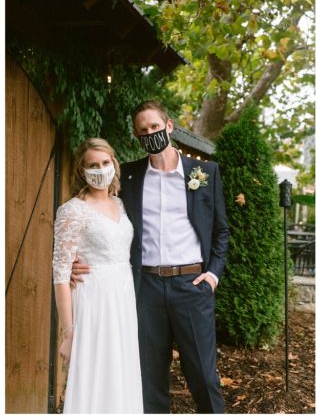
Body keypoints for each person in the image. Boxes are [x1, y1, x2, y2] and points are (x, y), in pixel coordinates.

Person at [72, 101, 229, 413]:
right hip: (145, 290)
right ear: (136, 135)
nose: (150, 134)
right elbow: (98, 213)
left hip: (191, 285)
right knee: (148, 380)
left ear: (169, 126)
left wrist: (212, 275)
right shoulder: (129, 176)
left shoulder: (204, 172)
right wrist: (76, 258)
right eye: (143, 130)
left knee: (204, 377)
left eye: (155, 127)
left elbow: (221, 231)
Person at [52, 138, 143, 413]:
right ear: (82, 170)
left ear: (114, 164)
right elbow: (60, 274)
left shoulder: (121, 204)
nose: (100, 170)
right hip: (93, 301)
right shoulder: (72, 210)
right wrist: (68, 332)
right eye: (93, 165)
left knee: (120, 372)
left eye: (105, 163)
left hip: (123, 299)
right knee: (95, 373)